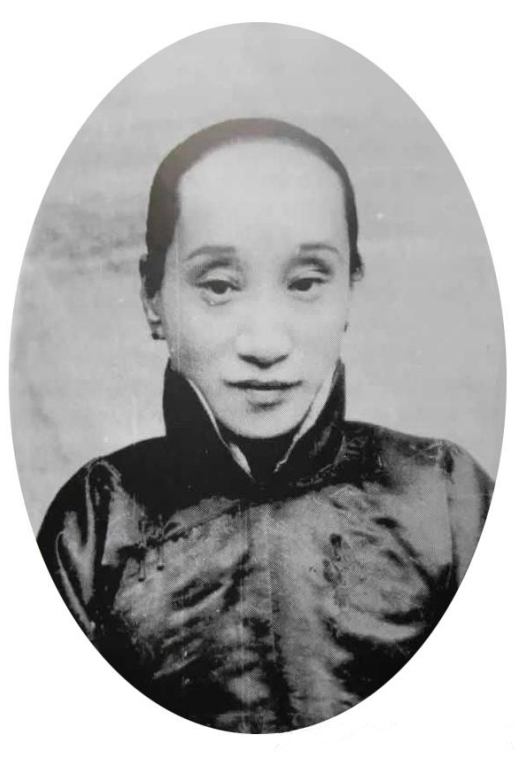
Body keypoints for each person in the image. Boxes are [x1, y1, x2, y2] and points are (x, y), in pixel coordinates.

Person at [37, 118, 493, 733]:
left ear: (350, 291)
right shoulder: (98, 518)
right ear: (153, 297)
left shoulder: (443, 497)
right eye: (219, 286)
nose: (265, 342)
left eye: (306, 282)